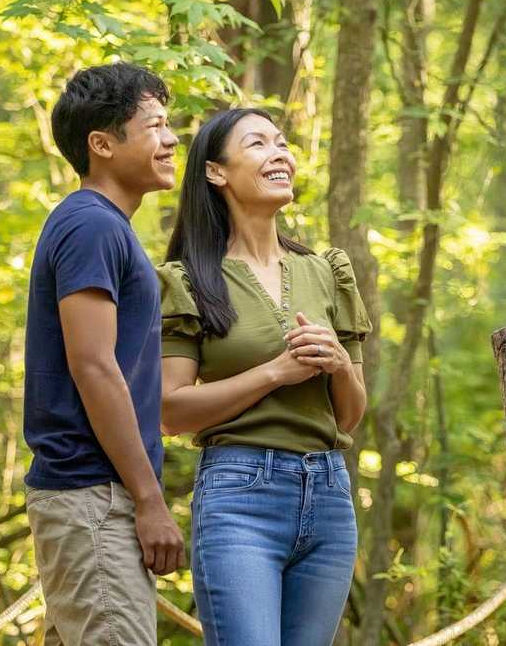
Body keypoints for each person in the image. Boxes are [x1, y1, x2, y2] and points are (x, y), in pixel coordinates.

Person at [157, 107, 371, 646]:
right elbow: (171, 411)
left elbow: (349, 415)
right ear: (216, 172)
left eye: (282, 142)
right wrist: (275, 372)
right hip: (238, 496)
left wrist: (339, 364)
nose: (279, 153)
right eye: (258, 144)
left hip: (328, 494)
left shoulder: (326, 272)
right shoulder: (187, 280)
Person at [23, 62, 186, 645]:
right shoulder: (92, 226)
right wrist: (149, 500)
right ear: (102, 144)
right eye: (155, 126)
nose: (171, 140)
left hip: (89, 499)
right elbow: (93, 365)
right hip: (93, 497)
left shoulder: (101, 226)